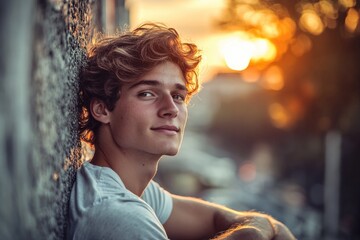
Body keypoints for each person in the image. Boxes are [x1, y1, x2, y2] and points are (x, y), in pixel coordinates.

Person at [67, 22, 296, 240]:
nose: (171, 109)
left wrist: (259, 227)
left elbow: (219, 219)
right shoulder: (122, 217)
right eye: (147, 93)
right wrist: (254, 233)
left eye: (178, 96)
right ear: (102, 109)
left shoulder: (131, 189)